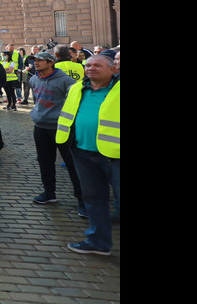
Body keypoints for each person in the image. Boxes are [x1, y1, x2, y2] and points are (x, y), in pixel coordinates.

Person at [57, 54, 120, 255]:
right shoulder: (76, 88)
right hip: (82, 151)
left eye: (98, 65)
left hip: (115, 155)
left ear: (113, 69)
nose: (91, 68)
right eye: (89, 65)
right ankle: (98, 242)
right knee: (93, 197)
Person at [28, 51, 83, 212]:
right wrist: (36, 114)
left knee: (72, 164)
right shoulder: (33, 79)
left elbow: (74, 101)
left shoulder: (66, 81)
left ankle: (82, 199)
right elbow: (37, 101)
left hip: (62, 128)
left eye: (40, 60)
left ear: (51, 62)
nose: (36, 63)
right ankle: (49, 193)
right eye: (35, 60)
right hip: (40, 127)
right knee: (44, 161)